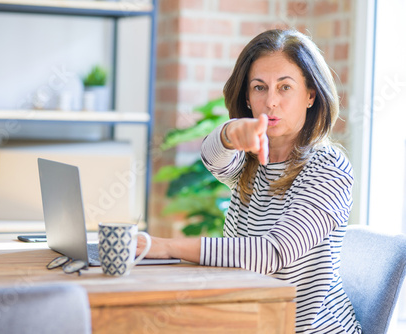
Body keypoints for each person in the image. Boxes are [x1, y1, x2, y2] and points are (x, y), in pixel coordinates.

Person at [137, 29, 362, 333]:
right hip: (248, 321)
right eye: (259, 88)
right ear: (247, 96)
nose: (271, 102)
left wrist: (165, 246)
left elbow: (271, 253)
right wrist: (230, 133)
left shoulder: (328, 169)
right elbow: (212, 157)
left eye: (285, 87)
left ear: (310, 95)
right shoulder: (250, 162)